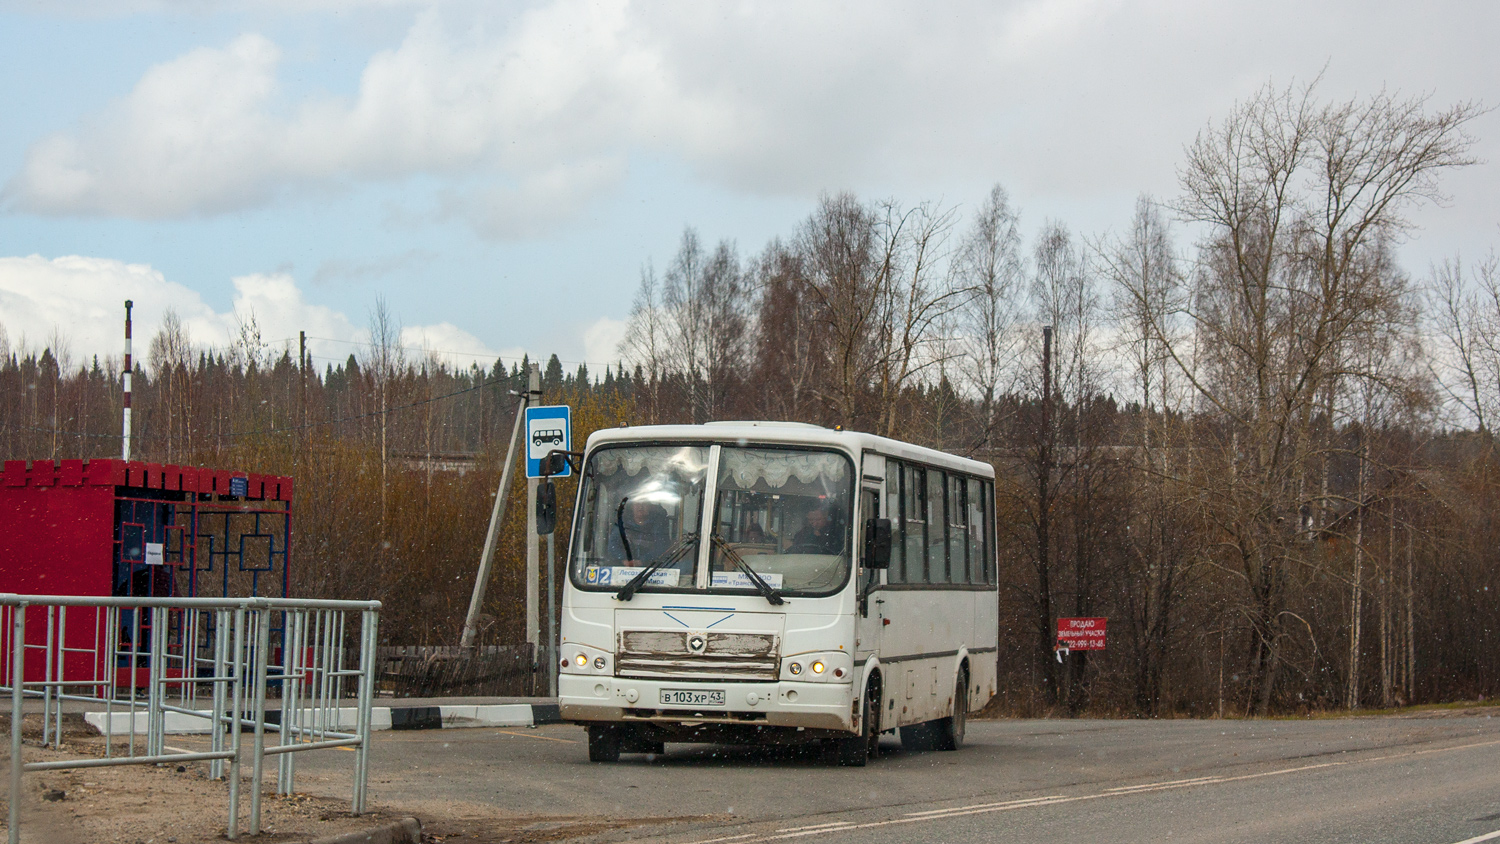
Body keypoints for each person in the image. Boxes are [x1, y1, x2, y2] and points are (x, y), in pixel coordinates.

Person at [606, 499, 673, 564]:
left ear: (649, 507)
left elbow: (662, 548)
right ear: (632, 507)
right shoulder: (622, 524)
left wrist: (643, 561)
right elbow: (612, 546)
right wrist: (624, 559)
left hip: (652, 567)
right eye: (637, 504)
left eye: (644, 504)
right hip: (624, 567)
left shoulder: (658, 525)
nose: (640, 507)